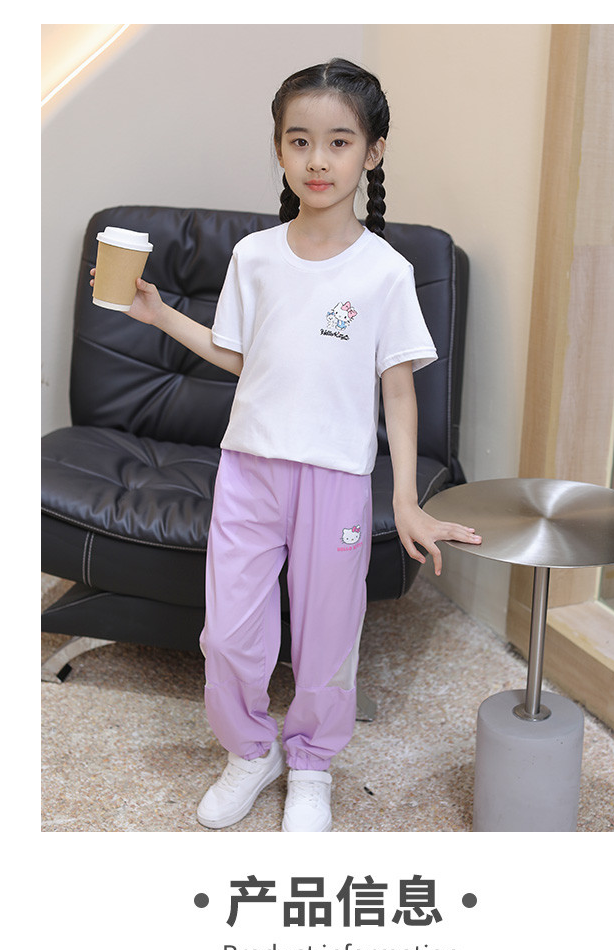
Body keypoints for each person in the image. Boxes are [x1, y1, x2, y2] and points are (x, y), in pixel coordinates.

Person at [91, 58, 481, 833]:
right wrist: (159, 313)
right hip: (248, 469)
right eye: (299, 141)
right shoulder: (255, 256)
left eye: (339, 141)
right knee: (228, 634)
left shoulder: (386, 272)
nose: (317, 160)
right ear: (279, 149)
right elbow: (242, 355)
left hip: (336, 481)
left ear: (372, 152)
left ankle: (310, 762)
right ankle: (250, 750)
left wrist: (406, 500)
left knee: (328, 638)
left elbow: (399, 391)